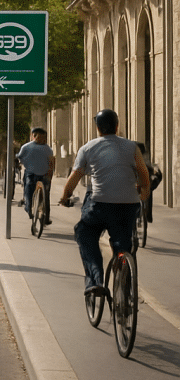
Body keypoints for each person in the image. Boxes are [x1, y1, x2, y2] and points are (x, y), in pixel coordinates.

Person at [58, 109, 150, 297]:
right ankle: (124, 279)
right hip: (127, 206)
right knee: (123, 243)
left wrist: (65, 195)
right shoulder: (132, 147)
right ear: (117, 126)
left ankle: (96, 280)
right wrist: (143, 190)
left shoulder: (88, 148)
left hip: (100, 205)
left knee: (84, 233)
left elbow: (75, 176)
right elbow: (143, 173)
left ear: (98, 128)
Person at [17, 127, 55, 223]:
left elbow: (20, 158)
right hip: (34, 174)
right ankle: (29, 207)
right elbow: (51, 163)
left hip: (40, 175)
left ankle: (42, 215)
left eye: (44, 137)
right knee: (31, 189)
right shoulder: (28, 147)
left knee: (35, 191)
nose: (42, 139)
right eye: (40, 136)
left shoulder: (47, 149)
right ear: (34, 136)